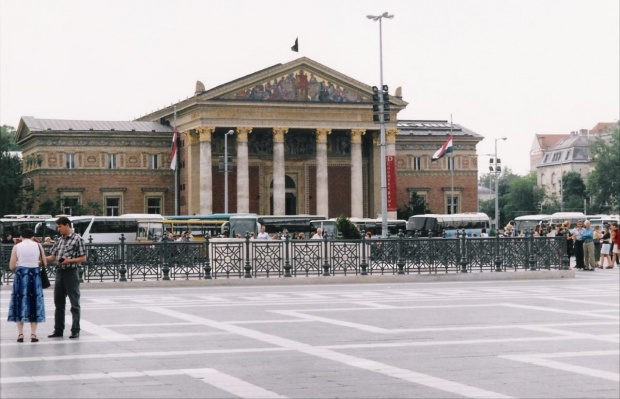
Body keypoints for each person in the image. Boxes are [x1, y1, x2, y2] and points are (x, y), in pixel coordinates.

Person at [45, 216, 86, 339]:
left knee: (74, 303)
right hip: (59, 273)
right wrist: (41, 259)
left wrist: (69, 261)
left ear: (67, 225)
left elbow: (83, 258)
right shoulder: (59, 240)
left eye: (60, 226)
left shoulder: (78, 239)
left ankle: (75, 329)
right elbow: (53, 256)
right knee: (58, 303)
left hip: (71, 273)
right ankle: (58, 330)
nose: (59, 229)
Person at [7, 228, 46, 343]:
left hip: (21, 275)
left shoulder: (17, 246)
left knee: (19, 302)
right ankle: (33, 334)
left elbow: (11, 266)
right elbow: (44, 262)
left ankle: (20, 334)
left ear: (21, 236)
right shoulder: (38, 245)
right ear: (33, 236)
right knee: (35, 302)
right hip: (34, 275)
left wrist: (21, 263)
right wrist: (34, 262)